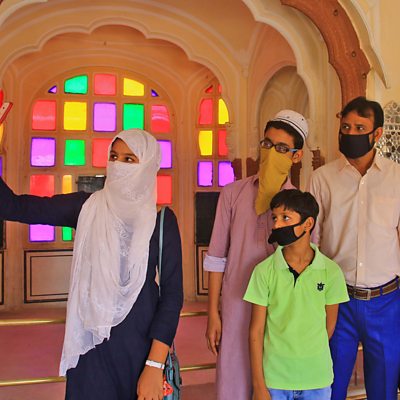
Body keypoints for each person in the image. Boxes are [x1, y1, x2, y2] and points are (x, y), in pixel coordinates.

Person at [0, 129, 183, 400]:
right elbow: (13, 206)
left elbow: (172, 296)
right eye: (114, 157)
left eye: (129, 159)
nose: (118, 165)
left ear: (147, 165)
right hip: (90, 346)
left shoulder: (162, 221)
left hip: (140, 347)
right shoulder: (86, 207)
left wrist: (154, 365)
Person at [204, 110, 308, 400]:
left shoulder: (302, 206)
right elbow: (216, 257)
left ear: (296, 156)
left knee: (275, 384)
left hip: (282, 311)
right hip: (237, 306)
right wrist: (213, 313)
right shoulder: (233, 193)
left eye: (282, 148)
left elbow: (304, 262)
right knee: (234, 383)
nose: (272, 153)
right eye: (267, 144)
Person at [309, 96, 400, 400]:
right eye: (346, 127)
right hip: (338, 300)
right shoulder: (322, 179)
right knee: (329, 387)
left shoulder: (396, 178)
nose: (350, 133)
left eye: (360, 128)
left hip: (387, 302)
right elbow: (311, 241)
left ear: (377, 134)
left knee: (384, 389)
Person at [244, 189, 349, 400]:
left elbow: (328, 327)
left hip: (316, 380)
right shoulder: (263, 271)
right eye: (274, 218)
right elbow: (255, 332)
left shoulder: (331, 272)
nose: (276, 225)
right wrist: (259, 385)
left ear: (308, 224)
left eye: (285, 218)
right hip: (275, 381)